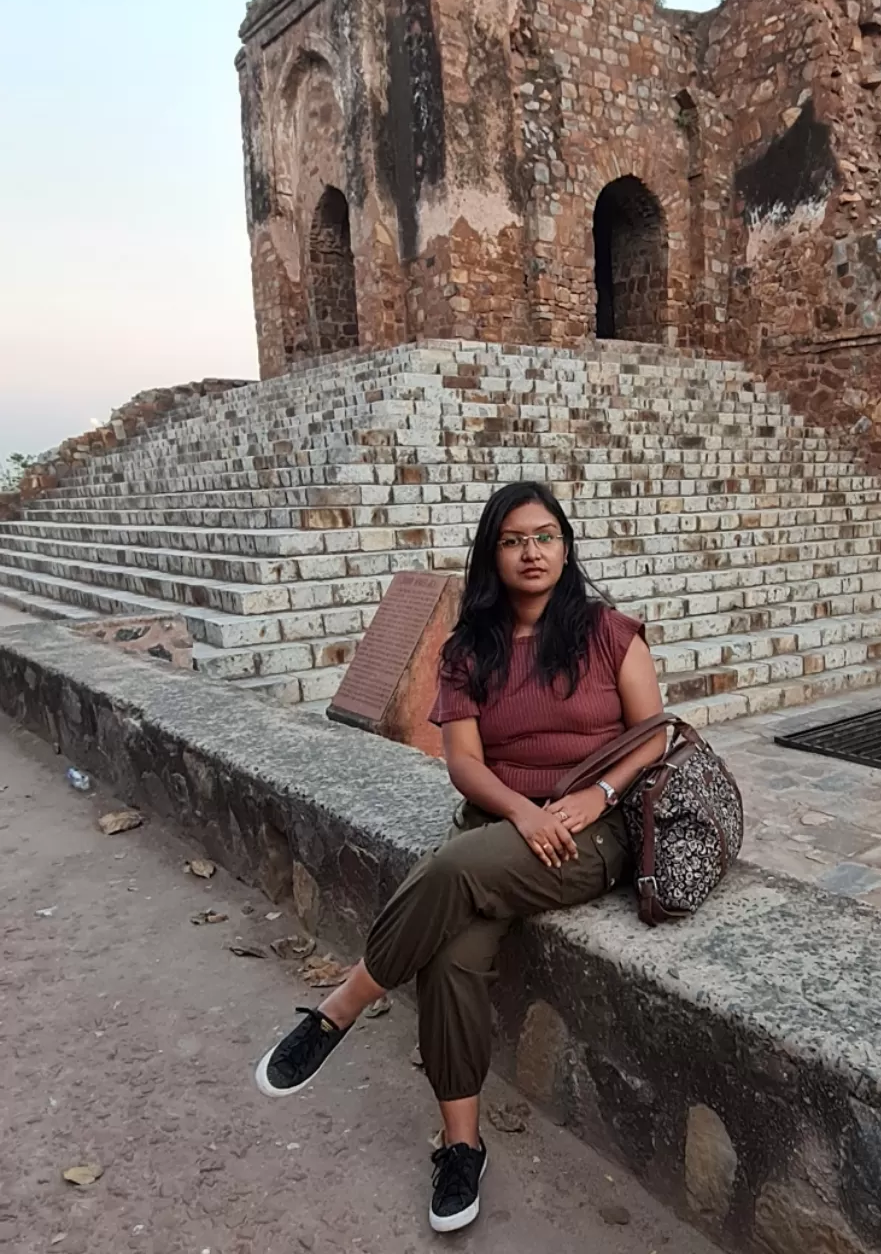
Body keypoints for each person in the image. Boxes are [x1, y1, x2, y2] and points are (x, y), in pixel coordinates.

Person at [254, 481, 667, 1233]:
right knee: (449, 959)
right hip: (498, 820)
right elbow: (466, 765)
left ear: (565, 545)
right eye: (512, 541)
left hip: (590, 830)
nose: (531, 552)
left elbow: (654, 734)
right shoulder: (468, 650)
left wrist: (598, 796)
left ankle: (340, 1008)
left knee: (448, 870)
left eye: (544, 536)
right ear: (492, 555)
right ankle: (460, 1146)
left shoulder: (609, 632)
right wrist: (518, 811)